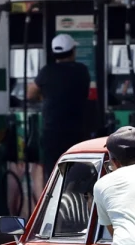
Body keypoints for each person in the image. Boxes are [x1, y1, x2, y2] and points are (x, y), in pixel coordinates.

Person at [28, 33, 91, 179]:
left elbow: (30, 94)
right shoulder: (81, 70)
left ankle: (53, 201)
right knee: (77, 175)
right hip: (76, 132)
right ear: (73, 51)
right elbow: (84, 94)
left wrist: (44, 96)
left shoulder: (47, 71)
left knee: (53, 174)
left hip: (52, 133)